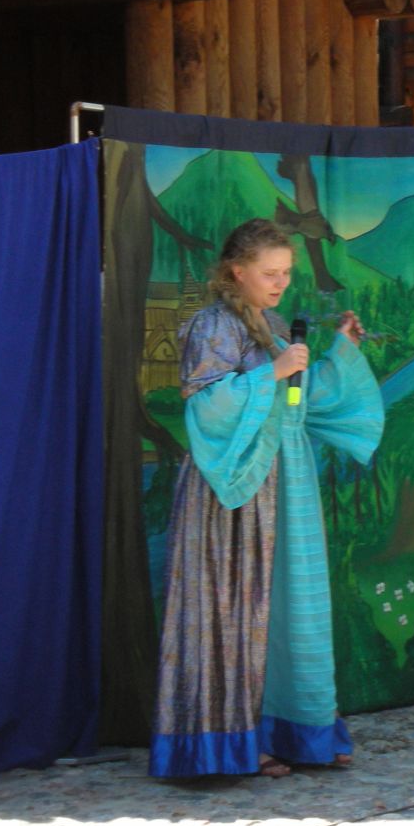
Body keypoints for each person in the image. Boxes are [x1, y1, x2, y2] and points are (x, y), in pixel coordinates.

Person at [149, 218, 384, 778]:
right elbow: (205, 407)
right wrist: (272, 373)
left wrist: (341, 352)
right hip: (231, 491)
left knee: (284, 608)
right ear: (237, 271)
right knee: (231, 609)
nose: (281, 283)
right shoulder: (212, 325)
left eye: (286, 273)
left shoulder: (272, 324)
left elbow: (297, 403)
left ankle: (295, 731)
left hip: (285, 483)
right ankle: (229, 741)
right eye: (270, 273)